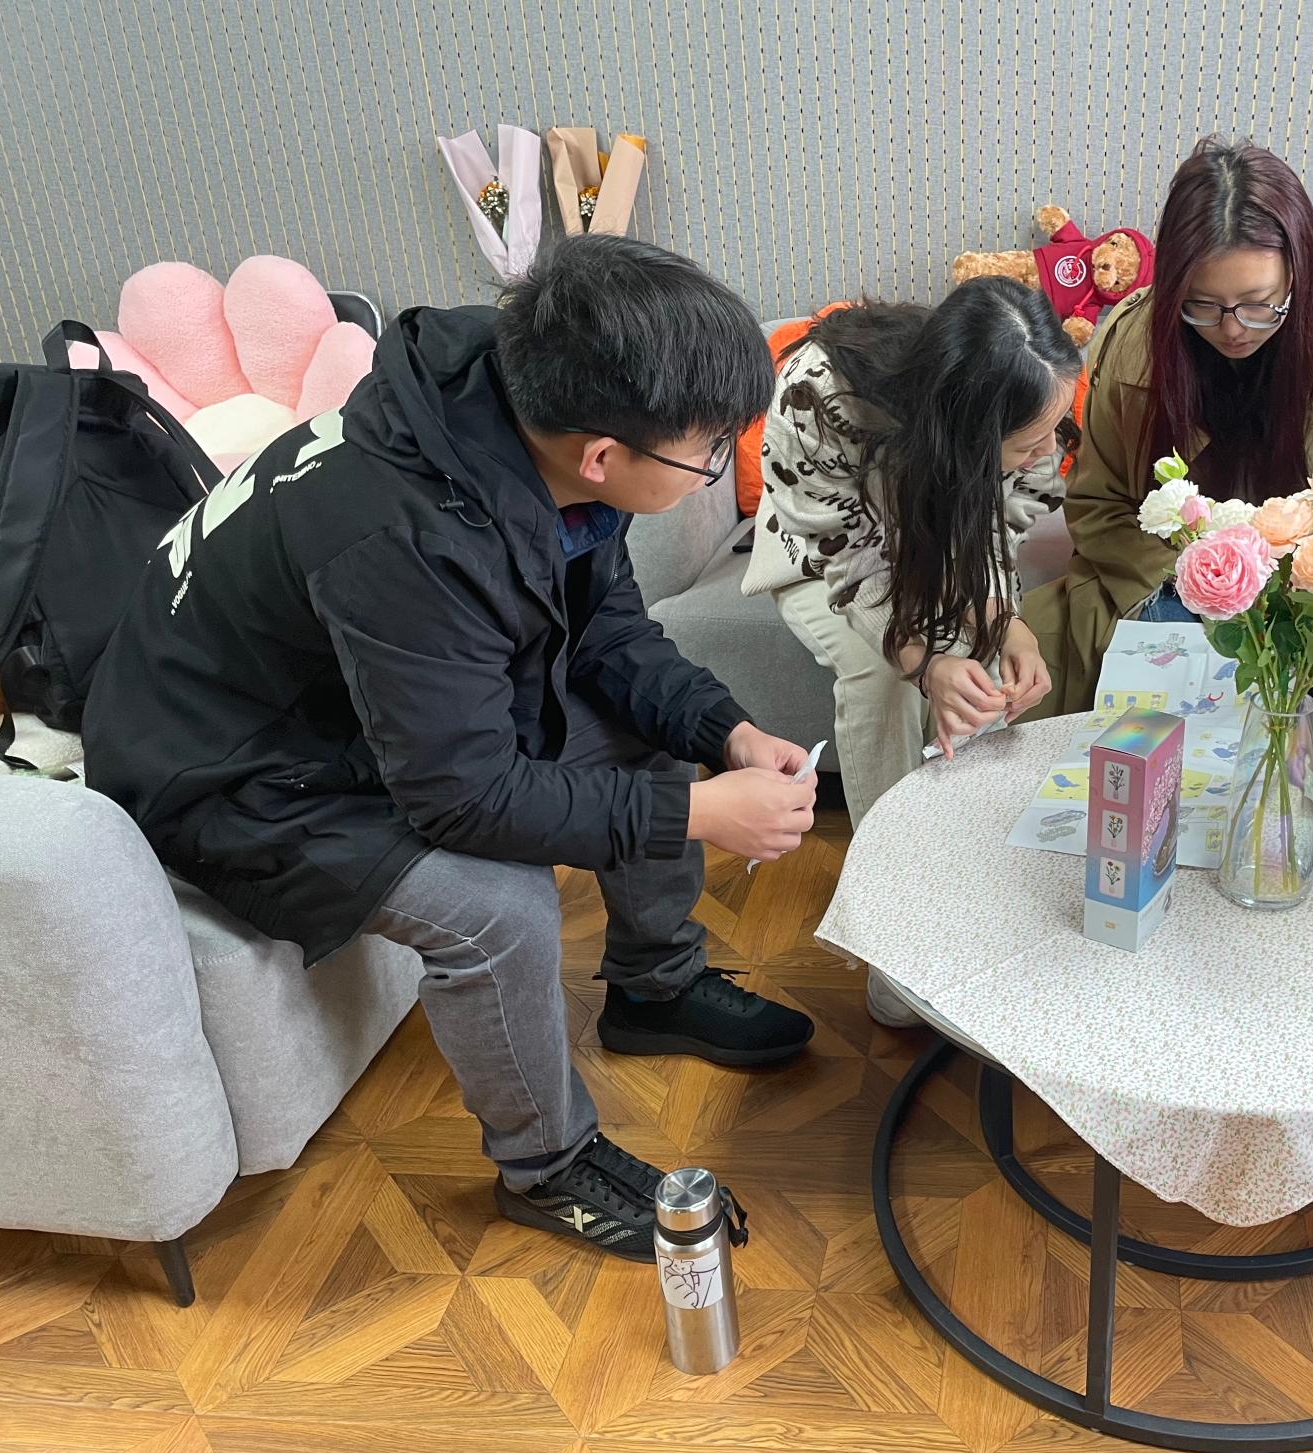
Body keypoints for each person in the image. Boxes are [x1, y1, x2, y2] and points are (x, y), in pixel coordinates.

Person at [83, 236, 822, 1262]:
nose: (710, 471)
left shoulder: (525, 401)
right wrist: (702, 813)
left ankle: (656, 991)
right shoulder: (402, 532)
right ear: (603, 456)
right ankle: (547, 1168)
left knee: (648, 728)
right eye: (706, 454)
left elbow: (607, 636)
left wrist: (722, 731)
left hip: (370, 708)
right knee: (499, 912)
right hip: (235, 769)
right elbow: (462, 799)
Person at [1021, 138, 1313, 715]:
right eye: (1201, 304)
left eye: (1259, 304)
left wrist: (1286, 608)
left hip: (1310, 604)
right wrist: (1188, 588)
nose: (1233, 329)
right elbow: (1099, 506)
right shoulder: (1134, 347)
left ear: (1298, 274)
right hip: (1160, 586)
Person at [742, 278, 1075, 826]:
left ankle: (969, 834)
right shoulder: (818, 396)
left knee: (984, 661)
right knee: (880, 676)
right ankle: (886, 854)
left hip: (936, 555)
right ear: (961, 428)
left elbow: (992, 532)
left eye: (1054, 427)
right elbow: (850, 562)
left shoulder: (1026, 401)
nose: (1049, 450)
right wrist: (923, 667)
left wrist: (1007, 626)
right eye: (1029, 441)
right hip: (817, 556)